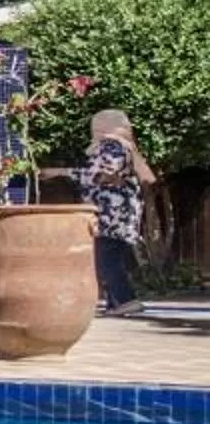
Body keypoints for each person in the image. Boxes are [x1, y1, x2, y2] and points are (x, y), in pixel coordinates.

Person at [82, 109, 157, 315]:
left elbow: (104, 172)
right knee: (112, 257)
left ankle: (126, 300)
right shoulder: (126, 146)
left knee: (106, 258)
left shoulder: (112, 145)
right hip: (123, 214)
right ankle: (115, 302)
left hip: (111, 214)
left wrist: (62, 173)